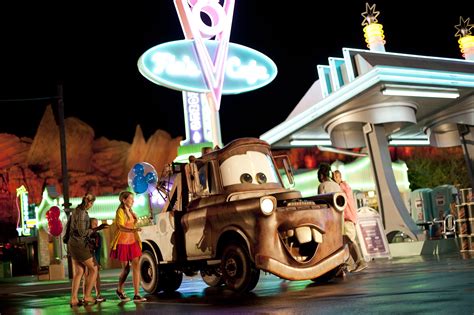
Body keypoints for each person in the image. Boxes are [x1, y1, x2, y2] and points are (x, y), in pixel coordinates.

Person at [67, 193, 108, 307]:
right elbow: (82, 232)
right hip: (80, 244)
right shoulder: (82, 213)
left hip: (72, 244)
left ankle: (74, 299)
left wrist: (67, 242)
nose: (91, 205)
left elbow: (68, 227)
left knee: (79, 272)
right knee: (94, 268)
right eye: (91, 203)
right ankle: (87, 296)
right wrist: (96, 229)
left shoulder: (75, 211)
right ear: (88, 202)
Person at [109, 191, 147, 302]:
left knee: (136, 266)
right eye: (130, 198)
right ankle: (119, 289)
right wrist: (133, 229)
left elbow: (133, 224)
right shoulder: (120, 211)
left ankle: (137, 294)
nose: (133, 200)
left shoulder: (131, 211)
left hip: (133, 241)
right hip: (123, 242)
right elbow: (120, 227)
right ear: (124, 200)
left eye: (133, 198)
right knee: (126, 269)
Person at [333, 170, 368, 273]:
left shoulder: (343, 188)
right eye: (333, 177)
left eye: (336, 177)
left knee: (351, 240)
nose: (334, 179)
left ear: (340, 177)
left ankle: (360, 262)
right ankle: (348, 264)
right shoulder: (344, 187)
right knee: (345, 241)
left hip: (348, 218)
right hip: (347, 218)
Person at [82, 218, 106, 302]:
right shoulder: (86, 234)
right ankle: (85, 295)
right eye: (94, 224)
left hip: (94, 257)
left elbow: (99, 249)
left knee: (96, 275)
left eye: (97, 223)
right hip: (86, 257)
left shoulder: (98, 236)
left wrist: (98, 262)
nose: (96, 225)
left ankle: (98, 294)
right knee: (86, 275)